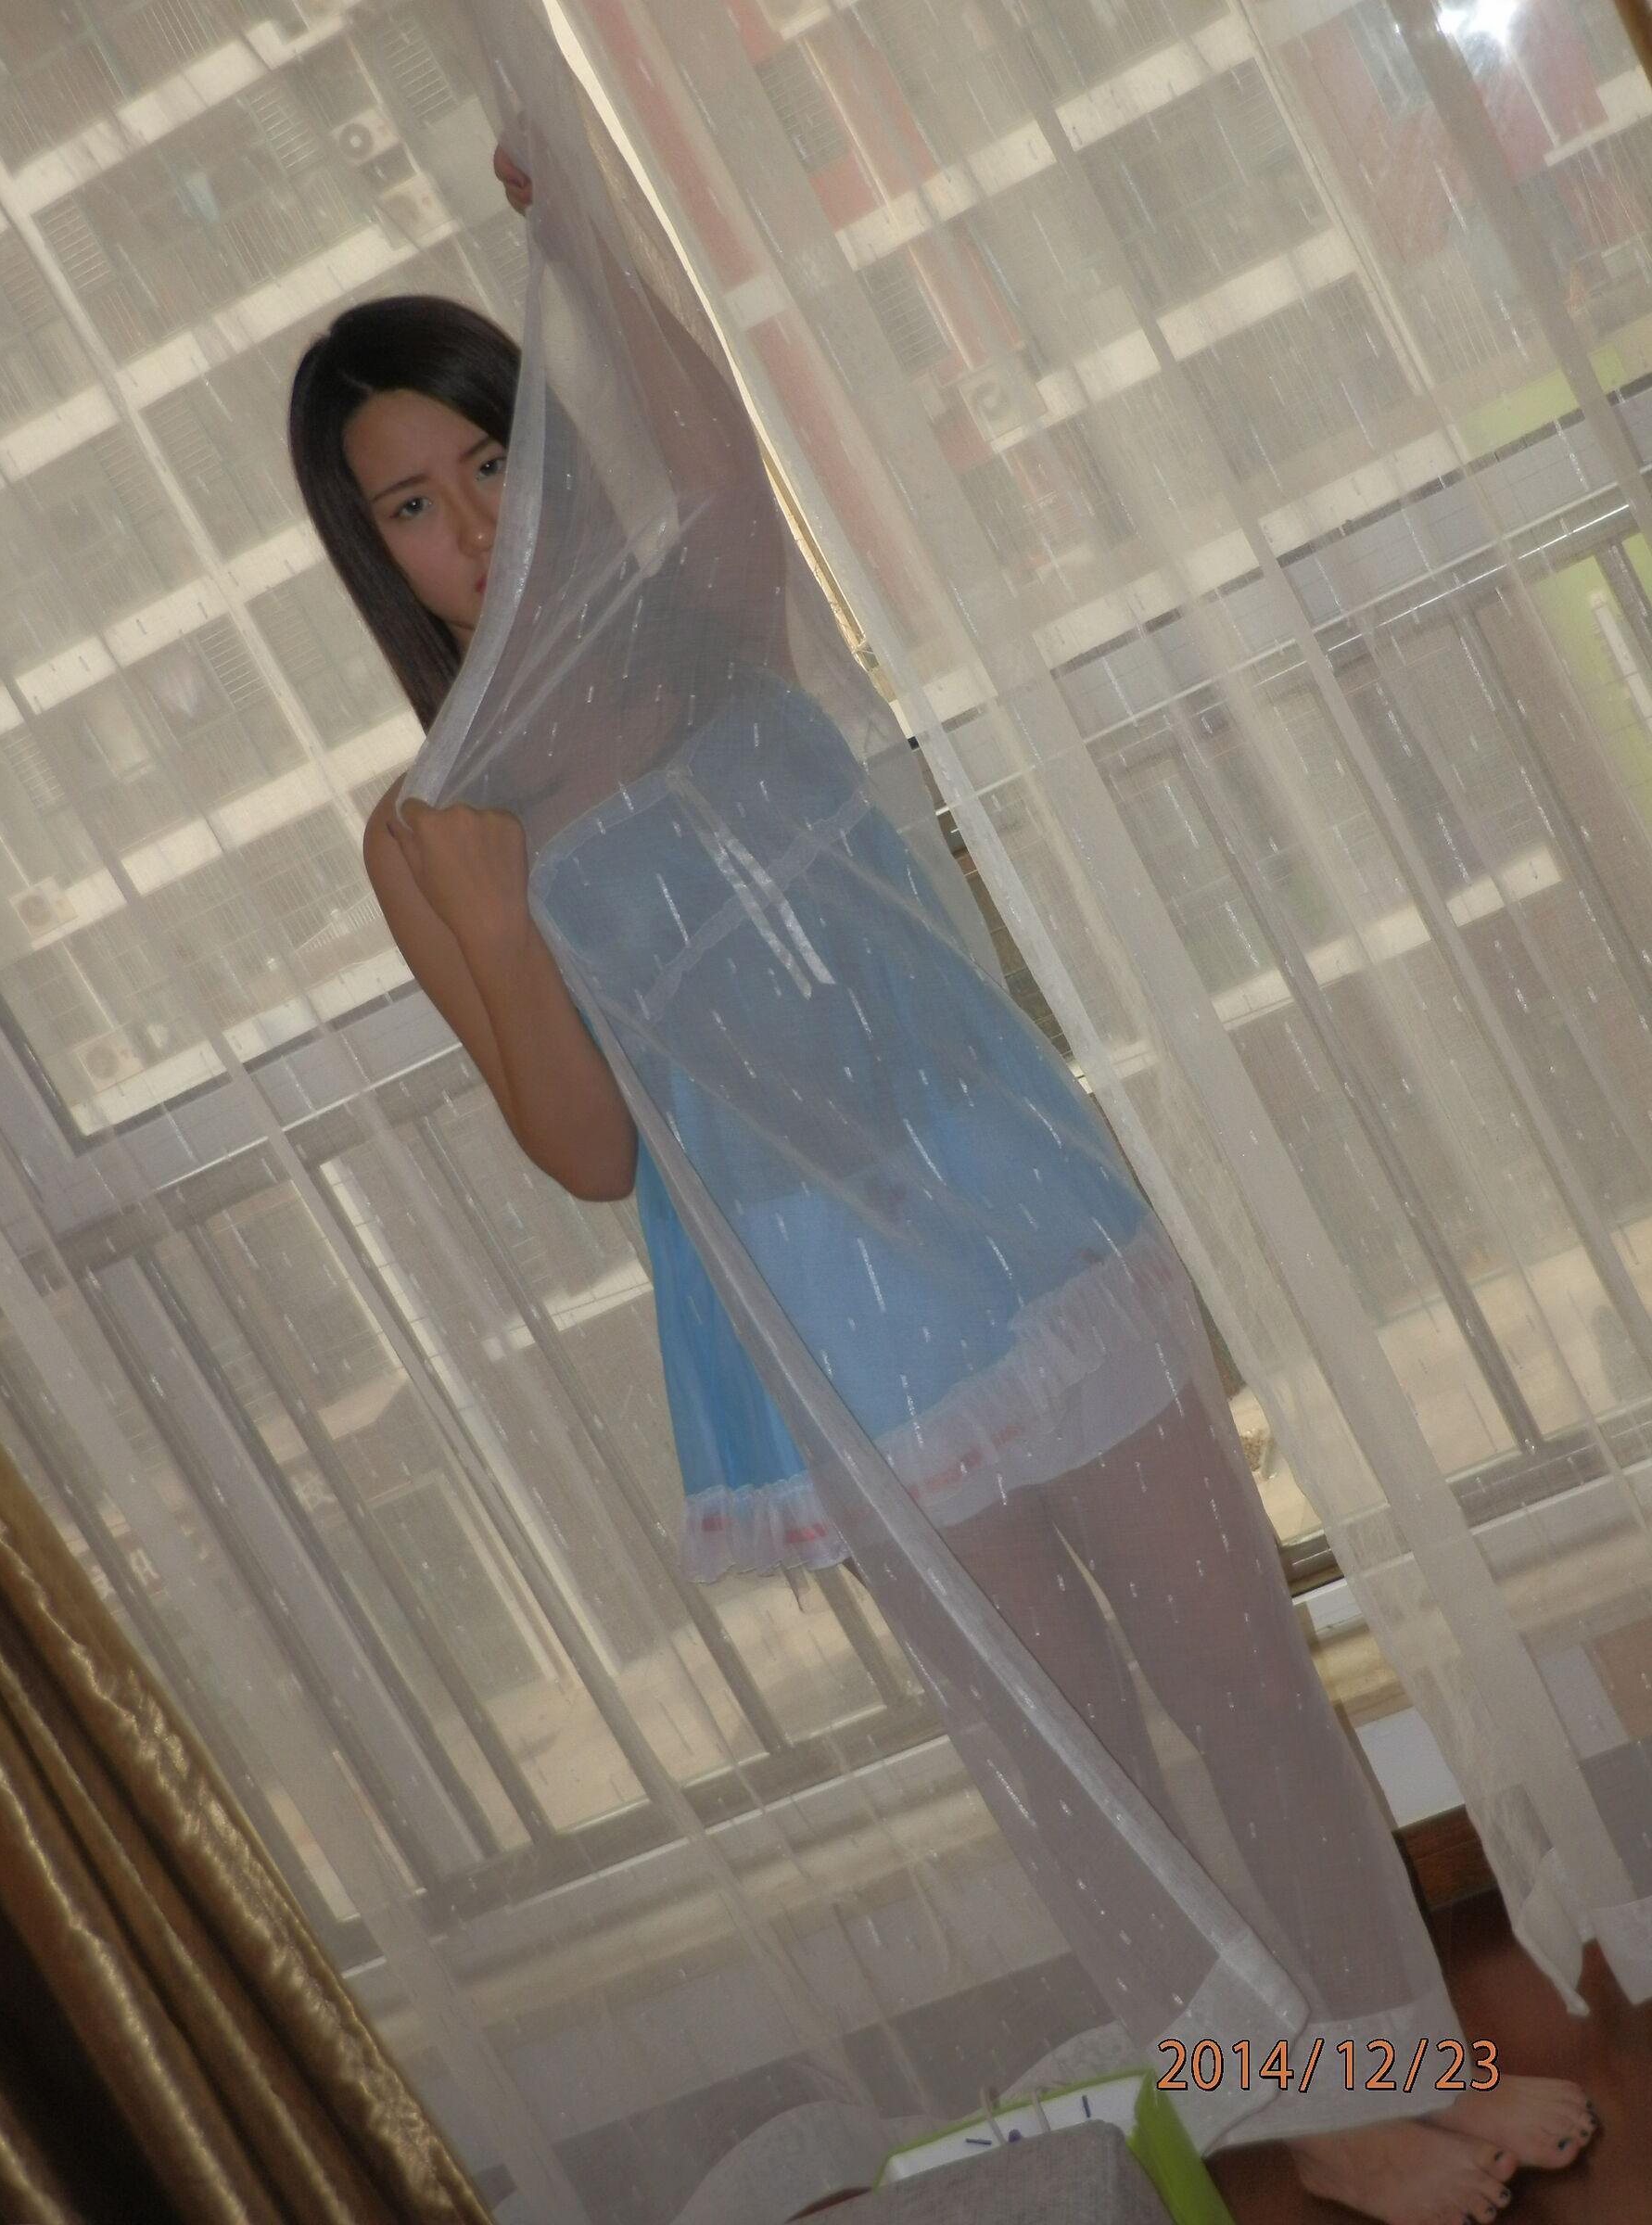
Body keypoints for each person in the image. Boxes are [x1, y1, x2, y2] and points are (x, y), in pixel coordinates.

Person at [286, 133, 1598, 2225]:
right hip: (826, 1321)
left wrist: (584, 229)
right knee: (1078, 1764)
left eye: (493, 463)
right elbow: (591, 1152)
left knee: (1246, 1674)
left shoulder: (713, 617)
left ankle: (1379, 2062)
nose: (471, 529)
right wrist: (505, 921)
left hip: (1022, 1205)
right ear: (376, 560)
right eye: (411, 509)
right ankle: (1308, 2121)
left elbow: (713, 433)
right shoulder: (431, 825)